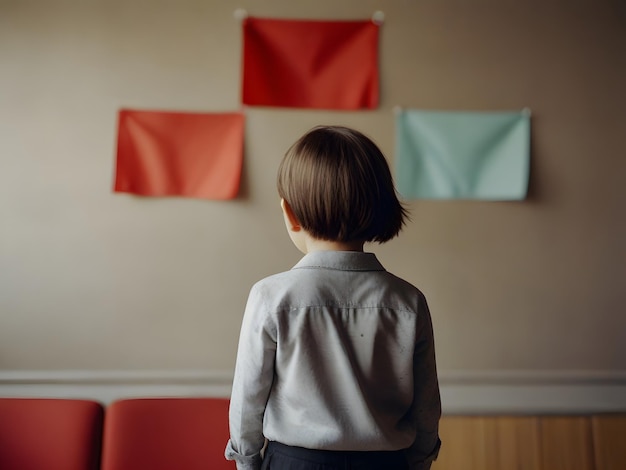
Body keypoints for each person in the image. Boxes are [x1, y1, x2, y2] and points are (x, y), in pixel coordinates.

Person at [225, 125, 441, 470]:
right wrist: (417, 462)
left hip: (295, 463)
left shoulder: (271, 296)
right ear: (381, 207)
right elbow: (426, 407)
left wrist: (247, 462)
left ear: (290, 214)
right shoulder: (408, 301)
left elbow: (248, 400)